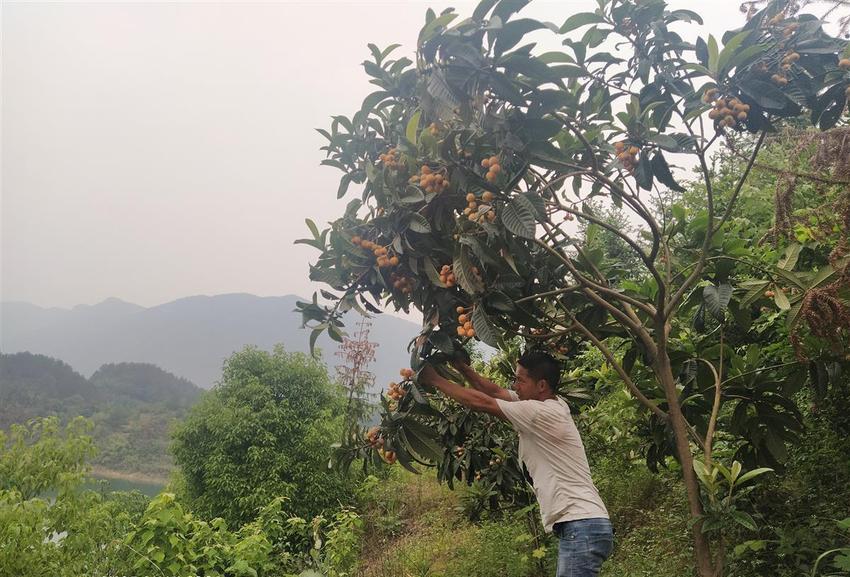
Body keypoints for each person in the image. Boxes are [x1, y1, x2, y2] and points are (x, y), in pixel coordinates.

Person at [419, 350, 613, 577]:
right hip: (585, 524)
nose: (515, 385)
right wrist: (463, 368)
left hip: (581, 524)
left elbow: (481, 402)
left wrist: (433, 379)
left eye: (520, 380)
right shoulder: (553, 404)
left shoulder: (538, 412)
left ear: (541, 385)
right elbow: (495, 392)